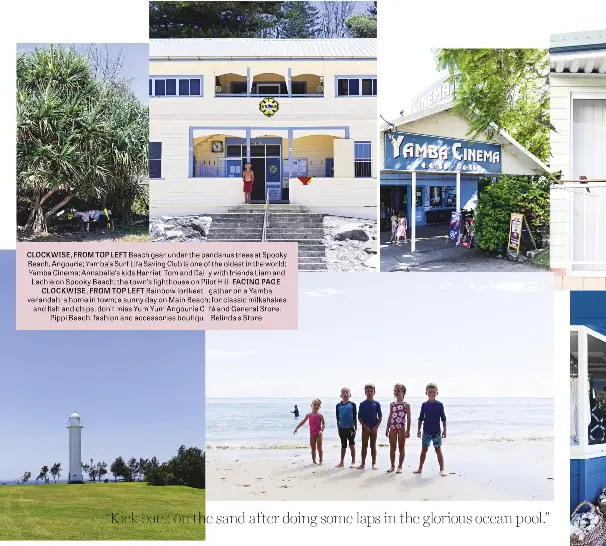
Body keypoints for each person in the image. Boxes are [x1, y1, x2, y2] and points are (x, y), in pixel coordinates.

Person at [414, 383, 447, 477]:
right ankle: (420, 468)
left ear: (437, 393)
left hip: (437, 432)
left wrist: (445, 430)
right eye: (430, 392)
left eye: (433, 392)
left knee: (438, 450)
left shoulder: (440, 405)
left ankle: (442, 469)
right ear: (426, 393)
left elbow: (443, 418)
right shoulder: (424, 405)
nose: (432, 393)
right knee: (424, 450)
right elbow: (420, 418)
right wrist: (418, 430)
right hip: (426, 432)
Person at [385, 383, 410, 474]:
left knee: (401, 447)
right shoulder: (392, 404)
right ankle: (392, 466)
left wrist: (408, 430)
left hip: (401, 427)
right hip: (392, 426)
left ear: (403, 392)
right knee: (392, 447)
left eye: (398, 391)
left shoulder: (406, 405)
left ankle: (400, 466)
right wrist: (387, 428)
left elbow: (409, 418)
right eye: (395, 391)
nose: (396, 392)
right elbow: (390, 416)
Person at [357, 384, 382, 470]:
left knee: (373, 445)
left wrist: (376, 427)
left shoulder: (377, 404)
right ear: (365, 392)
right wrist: (365, 427)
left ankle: (374, 463)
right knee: (364, 445)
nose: (370, 393)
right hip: (365, 429)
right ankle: (363, 463)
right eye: (368, 391)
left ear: (374, 392)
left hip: (374, 428)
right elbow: (359, 417)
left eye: (371, 391)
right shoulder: (362, 404)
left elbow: (380, 417)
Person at [294, 399, 325, 465]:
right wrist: (297, 428)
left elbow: (324, 423)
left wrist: (321, 431)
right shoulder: (308, 415)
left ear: (320, 407)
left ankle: (321, 460)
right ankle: (314, 461)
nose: (316, 406)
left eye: (318, 405)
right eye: (314, 404)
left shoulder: (320, 415)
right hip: (312, 434)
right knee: (313, 448)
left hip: (319, 434)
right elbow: (303, 422)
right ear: (311, 405)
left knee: (319, 448)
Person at [335, 387, 357, 468]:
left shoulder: (352, 405)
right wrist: (338, 429)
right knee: (343, 445)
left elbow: (355, 417)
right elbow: (337, 418)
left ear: (350, 395)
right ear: (341, 395)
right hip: (341, 428)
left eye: (347, 392)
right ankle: (341, 462)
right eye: (343, 392)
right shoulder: (338, 406)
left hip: (350, 428)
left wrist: (356, 429)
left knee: (352, 444)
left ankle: (353, 462)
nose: (345, 394)